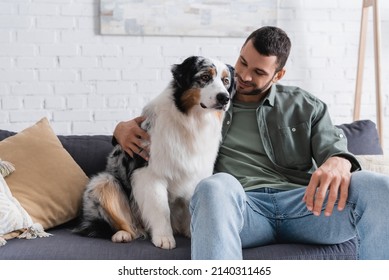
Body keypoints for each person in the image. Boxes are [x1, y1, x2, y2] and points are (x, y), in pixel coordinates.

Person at [113, 26, 389, 260]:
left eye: (258, 72)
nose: (243, 76)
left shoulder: (306, 106)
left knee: (378, 186)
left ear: (278, 75)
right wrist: (121, 129)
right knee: (213, 186)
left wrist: (339, 161)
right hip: (243, 209)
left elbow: (334, 150)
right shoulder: (210, 103)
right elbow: (161, 119)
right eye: (242, 62)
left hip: (306, 207)